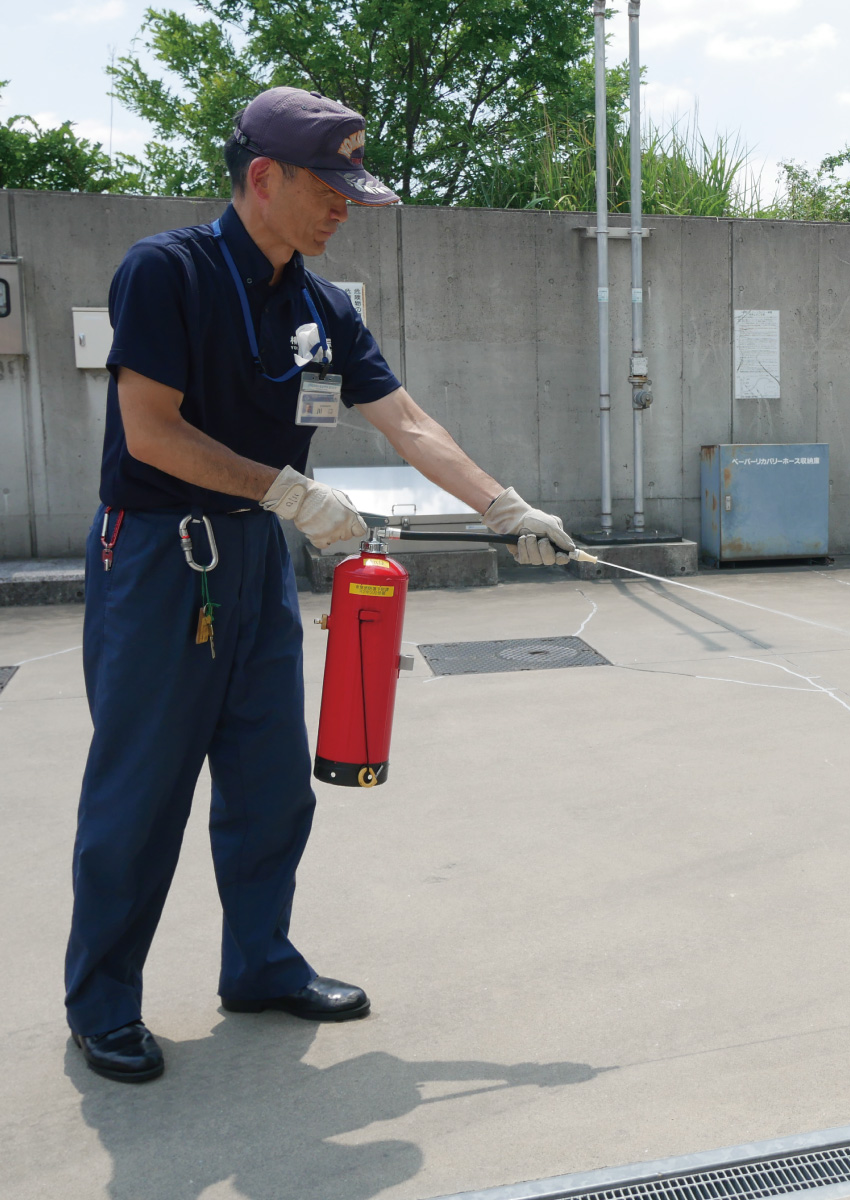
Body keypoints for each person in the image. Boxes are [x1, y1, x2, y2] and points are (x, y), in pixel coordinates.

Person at [67, 86, 574, 1084]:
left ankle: (260, 964)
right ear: (264, 176)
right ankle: (103, 1002)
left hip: (255, 554)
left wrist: (503, 507)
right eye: (329, 187)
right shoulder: (167, 271)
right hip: (163, 553)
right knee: (142, 791)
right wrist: (289, 491)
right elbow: (150, 433)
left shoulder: (324, 306)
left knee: (269, 782)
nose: (345, 206)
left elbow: (408, 421)